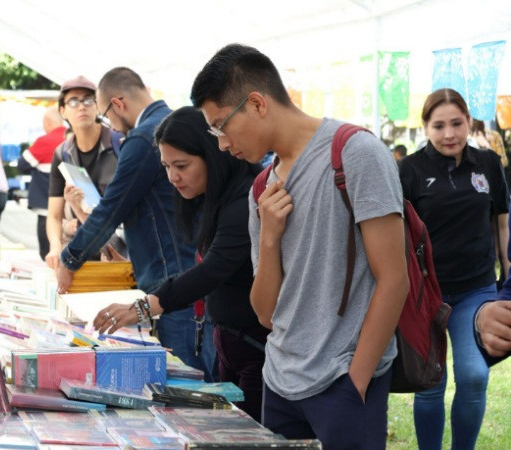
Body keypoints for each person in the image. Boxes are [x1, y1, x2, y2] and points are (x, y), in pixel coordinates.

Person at [192, 44, 408, 448]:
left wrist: (356, 379)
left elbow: (394, 279)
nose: (222, 143)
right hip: (280, 381)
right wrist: (270, 237)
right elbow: (266, 312)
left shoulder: (355, 152)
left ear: (256, 104)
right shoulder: (262, 187)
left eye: (221, 126)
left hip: (343, 381)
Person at [93, 107, 267, 420]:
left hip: (257, 350)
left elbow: (215, 268)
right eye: (166, 167)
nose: (173, 177)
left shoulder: (244, 200)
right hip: (229, 344)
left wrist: (145, 307)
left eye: (182, 165)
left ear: (213, 154)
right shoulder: (213, 197)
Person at [55, 67, 216, 381]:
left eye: (106, 115)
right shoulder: (174, 122)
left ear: (117, 104)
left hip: (174, 287)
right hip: (192, 277)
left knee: (186, 391)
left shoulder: (145, 138)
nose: (111, 126)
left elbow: (112, 208)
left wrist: (70, 258)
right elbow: (157, 211)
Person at [399, 88, 509, 450]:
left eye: (457, 123)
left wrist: (506, 276)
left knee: (474, 376)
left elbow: (501, 224)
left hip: (476, 290)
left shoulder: (489, 164)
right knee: (430, 385)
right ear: (426, 128)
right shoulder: (409, 170)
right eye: (439, 125)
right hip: (427, 293)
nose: (449, 134)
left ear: (468, 121)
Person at [45, 76, 122, 268]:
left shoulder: (120, 144)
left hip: (119, 252)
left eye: (88, 99)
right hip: (78, 251)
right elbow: (54, 214)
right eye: (73, 101)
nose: (82, 107)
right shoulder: (62, 153)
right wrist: (55, 247)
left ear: (97, 106)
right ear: (62, 111)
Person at [16, 106, 66, 260]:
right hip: (71, 210)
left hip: (47, 206)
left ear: (48, 122)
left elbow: (22, 164)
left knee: (48, 254)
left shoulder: (45, 141)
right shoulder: (73, 138)